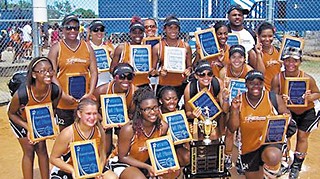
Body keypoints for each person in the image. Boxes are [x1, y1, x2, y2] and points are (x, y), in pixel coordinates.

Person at [228, 70, 291, 179]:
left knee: (272, 156)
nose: (255, 86)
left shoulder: (273, 98)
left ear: (263, 84)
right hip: (249, 147)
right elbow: (232, 128)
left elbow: (287, 115)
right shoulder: (239, 100)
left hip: (269, 143)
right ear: (246, 84)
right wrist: (234, 110)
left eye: (259, 83)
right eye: (252, 83)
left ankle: (271, 170)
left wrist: (286, 117)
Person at [7, 57, 62, 179]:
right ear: (33, 74)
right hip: (19, 118)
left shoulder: (55, 90)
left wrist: (48, 127)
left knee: (42, 148)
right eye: (42, 71)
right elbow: (11, 114)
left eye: (50, 70)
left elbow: (51, 110)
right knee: (29, 150)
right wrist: (28, 128)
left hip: (37, 119)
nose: (48, 74)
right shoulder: (22, 94)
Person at [271, 47, 320, 179]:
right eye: (287, 60)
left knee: (302, 136)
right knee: (284, 135)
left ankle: (297, 165)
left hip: (308, 111)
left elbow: (318, 93)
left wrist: (310, 97)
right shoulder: (278, 78)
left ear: (300, 62)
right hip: (289, 110)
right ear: (283, 61)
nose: (291, 63)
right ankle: (285, 161)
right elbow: (273, 97)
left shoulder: (307, 78)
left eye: (295, 61)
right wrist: (282, 99)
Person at [108, 87, 179, 178]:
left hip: (146, 163)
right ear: (140, 111)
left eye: (155, 107)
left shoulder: (163, 126)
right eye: (147, 109)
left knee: (174, 172)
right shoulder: (129, 129)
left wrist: (163, 166)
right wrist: (148, 167)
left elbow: (158, 151)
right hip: (122, 163)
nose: (153, 112)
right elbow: (123, 157)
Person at [47, 14, 98, 131]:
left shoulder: (87, 47)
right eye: (69, 27)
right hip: (64, 101)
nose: (72, 31)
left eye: (75, 28)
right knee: (65, 134)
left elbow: (94, 72)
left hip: (84, 100)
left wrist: (90, 93)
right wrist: (63, 94)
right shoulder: (56, 48)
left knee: (84, 132)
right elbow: (51, 74)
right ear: (62, 29)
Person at [50, 98, 117, 179]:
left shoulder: (99, 131)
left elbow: (102, 155)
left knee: (112, 177)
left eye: (95, 113)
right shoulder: (68, 133)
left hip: (92, 168)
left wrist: (99, 170)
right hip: (69, 169)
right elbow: (53, 158)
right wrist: (72, 170)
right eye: (88, 114)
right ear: (79, 114)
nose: (92, 117)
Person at [184, 60, 229, 139]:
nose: (206, 77)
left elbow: (225, 110)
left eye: (209, 74)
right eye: (202, 75)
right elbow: (188, 113)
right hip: (198, 119)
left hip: (215, 116)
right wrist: (193, 115)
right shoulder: (189, 89)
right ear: (196, 76)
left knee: (214, 135)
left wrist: (225, 99)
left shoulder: (217, 84)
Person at [151, 15, 192, 100]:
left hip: (180, 85)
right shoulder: (158, 47)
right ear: (164, 29)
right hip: (163, 86)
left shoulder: (185, 46)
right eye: (170, 28)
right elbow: (151, 71)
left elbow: (190, 67)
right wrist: (159, 72)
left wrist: (188, 70)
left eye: (175, 28)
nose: (173, 31)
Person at [110, 16, 150, 87]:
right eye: (134, 32)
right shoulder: (122, 48)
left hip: (143, 84)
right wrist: (124, 73)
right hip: (127, 85)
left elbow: (151, 69)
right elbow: (112, 69)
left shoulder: (147, 48)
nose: (137, 35)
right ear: (130, 33)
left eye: (140, 32)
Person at [157, 86, 190, 167]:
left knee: (187, 157)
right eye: (168, 99)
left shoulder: (179, 114)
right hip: (161, 148)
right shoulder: (155, 114)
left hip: (176, 145)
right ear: (160, 101)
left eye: (175, 99)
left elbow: (185, 138)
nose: (172, 102)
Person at [227, 4, 264, 70]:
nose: (237, 17)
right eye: (234, 15)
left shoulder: (251, 33)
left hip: (247, 69)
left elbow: (256, 54)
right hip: (228, 68)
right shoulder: (224, 33)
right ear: (228, 17)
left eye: (240, 15)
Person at [88, 20, 115, 87]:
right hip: (93, 83)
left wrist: (112, 56)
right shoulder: (86, 47)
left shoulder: (109, 46)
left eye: (101, 30)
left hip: (108, 81)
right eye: (95, 30)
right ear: (90, 32)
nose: (99, 32)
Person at [257, 22, 282, 91]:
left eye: (270, 36)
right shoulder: (255, 53)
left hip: (278, 89)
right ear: (258, 36)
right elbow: (260, 73)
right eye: (264, 36)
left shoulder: (278, 51)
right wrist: (258, 54)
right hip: (264, 90)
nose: (267, 39)